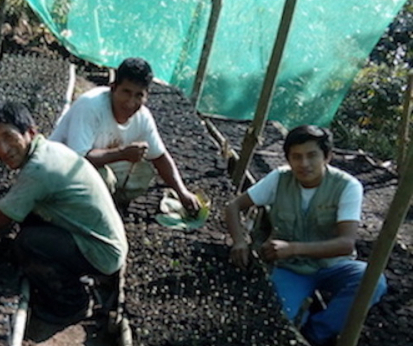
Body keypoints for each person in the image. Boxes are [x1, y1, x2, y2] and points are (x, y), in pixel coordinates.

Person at [0, 101, 128, 324]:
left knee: (28, 242)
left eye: (9, 137)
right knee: (30, 221)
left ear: (30, 132)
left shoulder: (39, 168)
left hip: (102, 252)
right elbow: (19, 199)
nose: (3, 149)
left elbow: (5, 215)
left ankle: (72, 304)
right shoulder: (49, 150)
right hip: (102, 240)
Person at [224, 125, 387, 346]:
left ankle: (316, 332)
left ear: (327, 156)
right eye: (296, 157)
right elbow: (234, 206)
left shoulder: (347, 186)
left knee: (372, 281)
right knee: (277, 319)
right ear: (288, 159)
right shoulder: (280, 179)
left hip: (332, 265)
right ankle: (296, 324)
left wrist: (292, 248)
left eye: (312, 156)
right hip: (291, 268)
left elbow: (346, 244)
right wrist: (240, 242)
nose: (304, 164)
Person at [49, 57, 200, 212]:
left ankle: (108, 203)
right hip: (58, 173)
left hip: (90, 171)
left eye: (138, 95)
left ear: (146, 96)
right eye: (126, 92)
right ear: (113, 88)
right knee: (103, 178)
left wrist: (182, 193)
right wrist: (122, 153)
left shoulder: (143, 117)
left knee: (143, 171)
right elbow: (77, 160)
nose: (130, 102)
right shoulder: (90, 106)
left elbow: (160, 157)